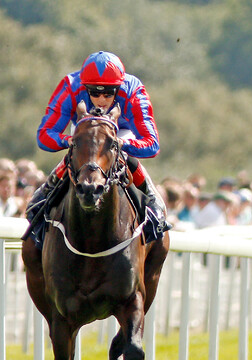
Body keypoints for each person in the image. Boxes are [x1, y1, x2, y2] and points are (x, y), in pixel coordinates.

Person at [27, 51, 171, 245]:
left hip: (121, 133)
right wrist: (67, 141)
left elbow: (152, 144)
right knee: (80, 152)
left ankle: (154, 203)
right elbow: (44, 135)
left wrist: (122, 144)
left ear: (118, 89)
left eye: (109, 93)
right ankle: (43, 197)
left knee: (124, 156)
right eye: (94, 92)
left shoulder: (133, 91)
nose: (101, 99)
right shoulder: (70, 86)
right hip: (83, 130)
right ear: (84, 87)